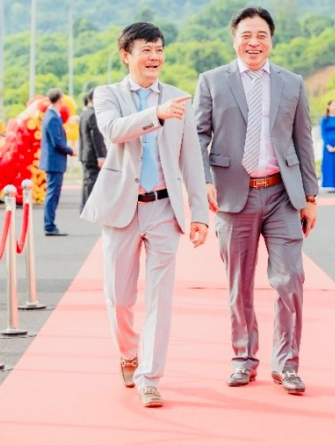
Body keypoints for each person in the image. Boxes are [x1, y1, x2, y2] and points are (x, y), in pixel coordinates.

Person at [82, 22, 209, 409]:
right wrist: (156, 113)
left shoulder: (178, 99)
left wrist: (199, 213)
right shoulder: (108, 95)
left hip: (163, 209)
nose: (155, 57)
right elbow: (113, 131)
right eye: (146, 50)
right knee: (119, 297)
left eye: (159, 49)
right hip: (123, 207)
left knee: (160, 297)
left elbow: (191, 160)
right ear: (126, 54)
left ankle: (150, 377)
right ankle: (128, 353)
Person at [194, 6, 318, 396]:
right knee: (239, 284)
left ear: (271, 40)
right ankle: (243, 359)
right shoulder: (212, 81)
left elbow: (303, 141)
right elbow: (197, 135)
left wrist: (310, 196)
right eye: (246, 35)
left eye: (261, 35)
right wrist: (203, 180)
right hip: (234, 196)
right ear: (234, 39)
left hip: (282, 193)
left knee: (290, 280)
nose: (254, 42)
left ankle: (287, 364)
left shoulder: (292, 83)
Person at [40, 88, 74, 235]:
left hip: (53, 161)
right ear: (60, 100)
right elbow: (57, 142)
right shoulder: (53, 117)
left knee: (53, 194)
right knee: (52, 194)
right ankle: (49, 225)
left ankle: (50, 224)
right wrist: (71, 151)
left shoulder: (51, 115)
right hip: (54, 162)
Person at [78, 88, 107, 210]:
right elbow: (97, 137)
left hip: (85, 153)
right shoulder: (93, 114)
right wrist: (100, 156)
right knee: (92, 181)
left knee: (87, 181)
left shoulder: (84, 113)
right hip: (92, 155)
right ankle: (90, 208)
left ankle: (85, 207)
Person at [319, 100, 335, 192]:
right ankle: (328, 184)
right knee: (328, 164)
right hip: (328, 145)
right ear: (328, 107)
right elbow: (323, 133)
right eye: (333, 105)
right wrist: (327, 145)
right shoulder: (324, 120)